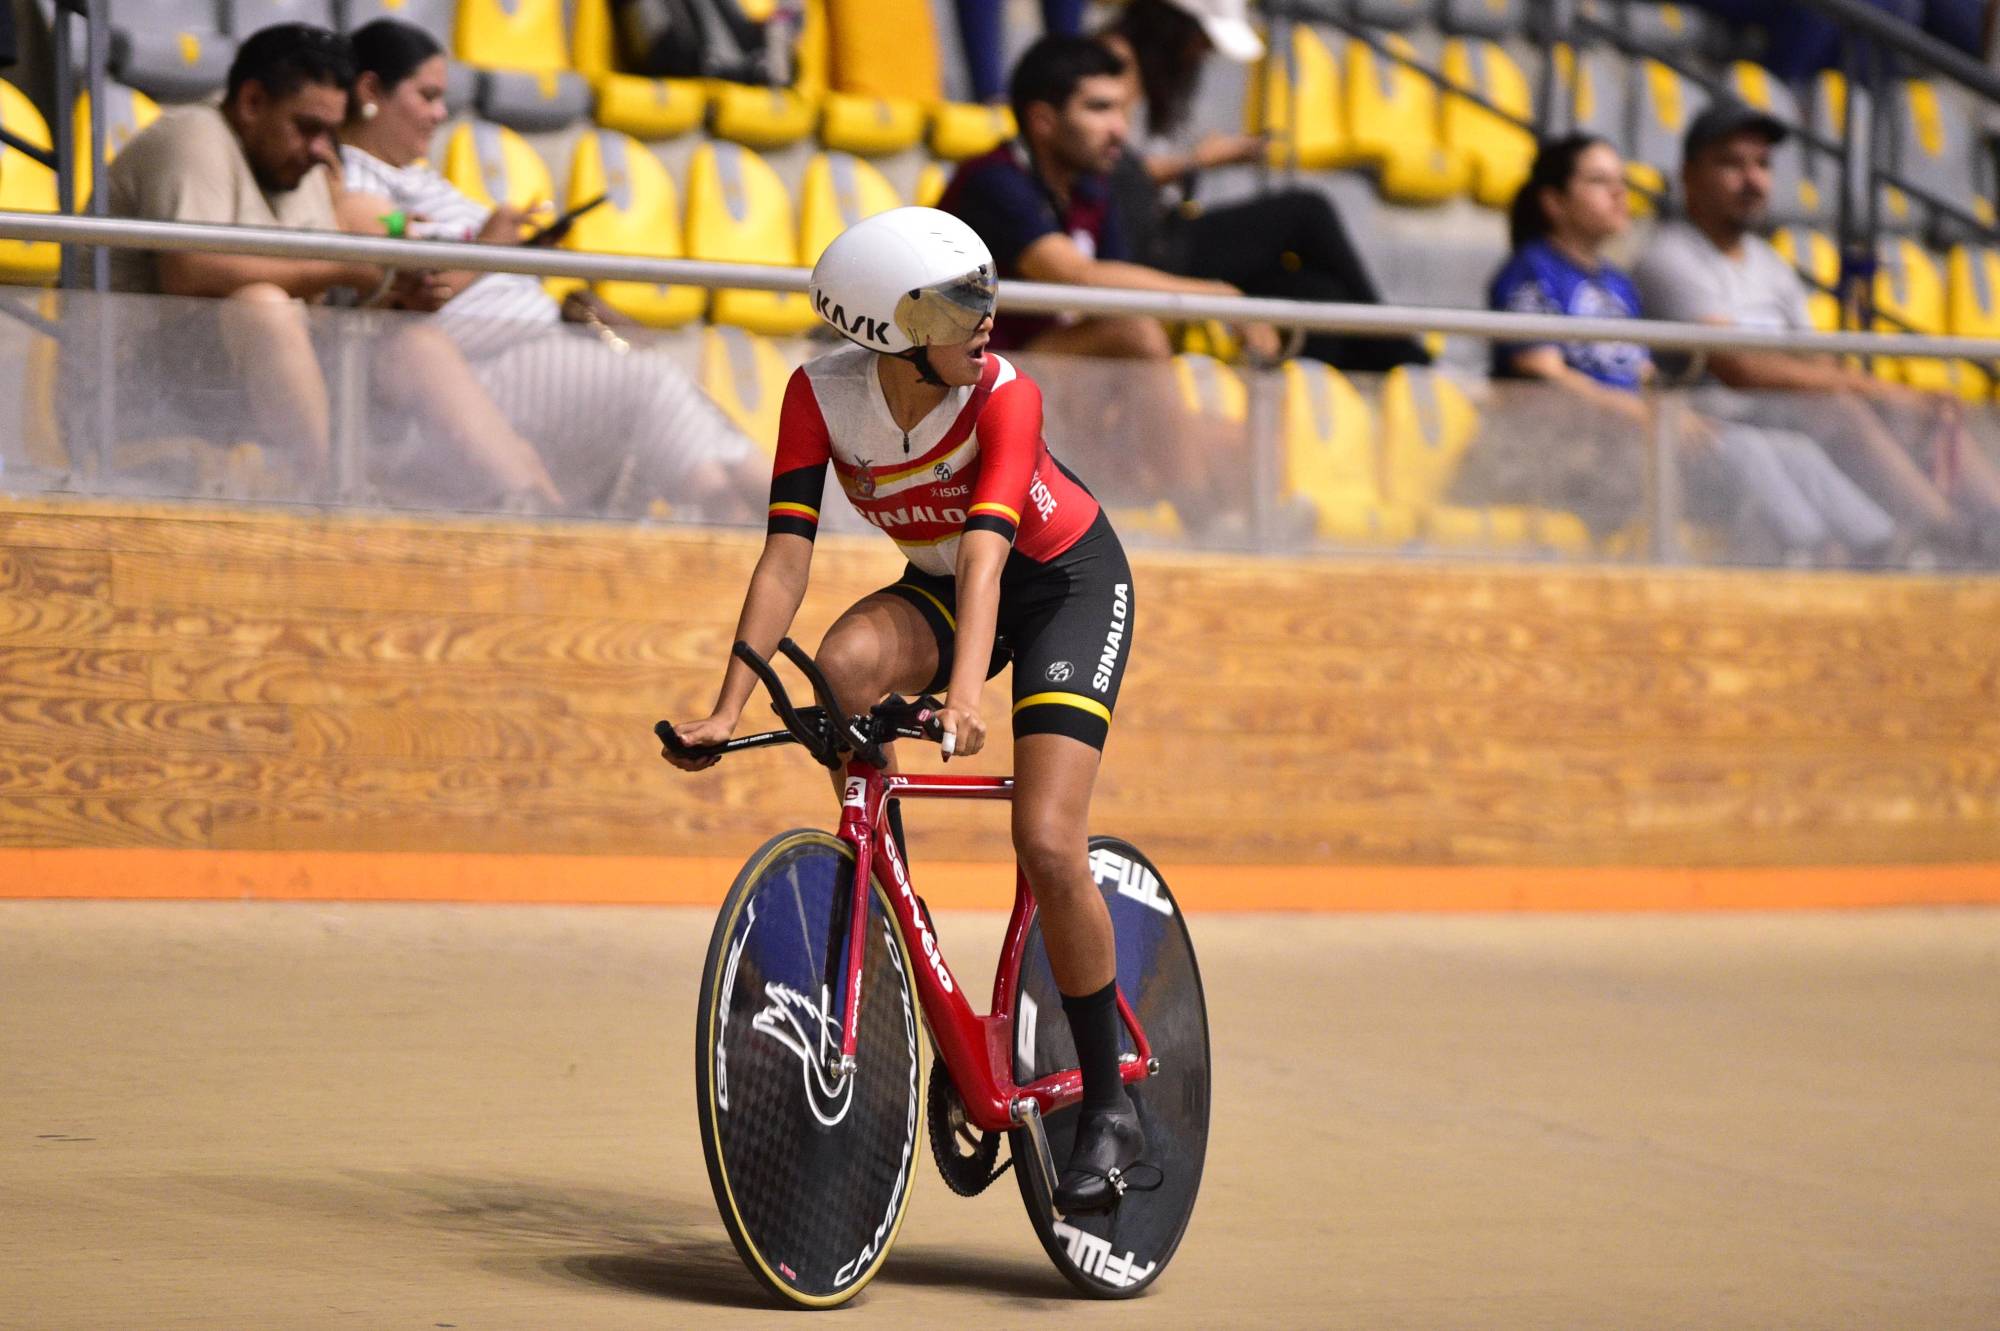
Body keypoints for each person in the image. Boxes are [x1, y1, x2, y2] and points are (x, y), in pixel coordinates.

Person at [663, 207, 1145, 1216]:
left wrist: (967, 696)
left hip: (1057, 583)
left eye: (986, 290)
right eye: (960, 302)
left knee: (1046, 841)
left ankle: (1107, 1102)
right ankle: (888, 892)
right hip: (940, 584)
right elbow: (785, 554)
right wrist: (724, 706)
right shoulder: (818, 396)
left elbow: (984, 552)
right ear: (888, 326)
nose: (988, 318)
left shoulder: (1005, 392)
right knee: (840, 669)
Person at [97, 22, 557, 504]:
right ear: (252, 102)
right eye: (307, 127)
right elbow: (189, 271)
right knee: (264, 305)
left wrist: (390, 300)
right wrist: (344, 270)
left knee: (415, 342)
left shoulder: (301, 168)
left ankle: (525, 504)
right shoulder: (193, 136)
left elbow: (317, 307)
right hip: (135, 392)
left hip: (230, 390)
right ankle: (337, 500)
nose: (322, 150)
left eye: (331, 133)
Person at [335, 18, 764, 520]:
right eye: (426, 96)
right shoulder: (354, 185)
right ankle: (773, 525)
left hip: (531, 342)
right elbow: (413, 289)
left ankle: (765, 524)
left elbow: (466, 274)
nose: (440, 112)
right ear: (370, 90)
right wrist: (493, 247)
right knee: (654, 384)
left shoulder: (418, 177)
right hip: (473, 370)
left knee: (683, 397)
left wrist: (522, 255)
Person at [1488, 133, 1895, 560]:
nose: (1619, 193)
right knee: (1749, 449)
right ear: (1554, 202)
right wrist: (1653, 418)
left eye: (1621, 181)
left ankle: (1878, 545)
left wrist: (1675, 414)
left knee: (1791, 447)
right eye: (1598, 182)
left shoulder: (1615, 282)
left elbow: (1642, 372)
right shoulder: (1531, 270)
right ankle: (1810, 553)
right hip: (1577, 442)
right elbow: (1544, 374)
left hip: (1645, 431)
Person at [1634, 100, 2000, 554]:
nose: (1753, 180)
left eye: (1763, 165)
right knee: (1839, 406)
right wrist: (1872, 391)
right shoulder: (1669, 256)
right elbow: (1739, 368)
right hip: (1719, 423)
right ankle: (1950, 535)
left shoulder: (1768, 261)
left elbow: (1814, 357)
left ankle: (1994, 523)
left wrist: (1893, 397)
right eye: (1731, 164)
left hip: (1784, 414)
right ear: (1687, 175)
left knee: (1923, 408)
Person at [1095, 0, 1429, 373]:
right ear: (1172, 25)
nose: (1205, 52)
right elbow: (1109, 166)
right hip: (1144, 242)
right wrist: (1200, 159)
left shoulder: (1154, 69)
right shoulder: (1115, 58)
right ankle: (1391, 343)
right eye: (1203, 39)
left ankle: (1337, 394)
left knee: (1315, 292)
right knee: (1306, 210)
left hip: (1162, 230)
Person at [939, 33, 1274, 361]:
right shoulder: (994, 180)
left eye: (1121, 109)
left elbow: (1114, 287)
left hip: (1034, 362)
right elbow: (1077, 275)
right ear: (1043, 121)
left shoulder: (1091, 187)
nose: (1120, 129)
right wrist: (1222, 297)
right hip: (967, 370)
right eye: (1099, 108)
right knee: (1133, 333)